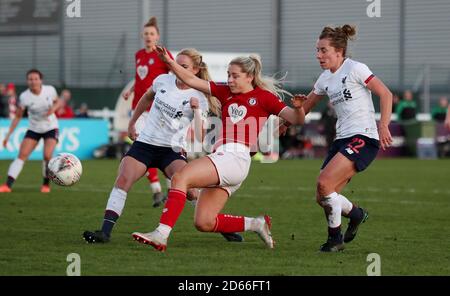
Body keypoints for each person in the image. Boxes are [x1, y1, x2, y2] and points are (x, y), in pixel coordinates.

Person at [131, 46, 306, 251]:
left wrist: (298, 108)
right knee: (204, 222)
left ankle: (161, 234)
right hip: (227, 161)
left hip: (234, 158)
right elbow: (192, 80)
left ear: (249, 77)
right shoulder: (224, 91)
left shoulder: (264, 97)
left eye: (235, 76)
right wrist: (169, 63)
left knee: (180, 178)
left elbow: (296, 119)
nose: (230, 80)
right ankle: (256, 224)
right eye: (228, 75)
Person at [83, 48, 242, 243]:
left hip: (172, 150)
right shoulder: (163, 80)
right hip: (145, 144)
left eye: (183, 66)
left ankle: (220, 226)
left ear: (194, 71)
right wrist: (133, 123)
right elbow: (146, 98)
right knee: (123, 179)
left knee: (191, 190)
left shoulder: (200, 96)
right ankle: (104, 232)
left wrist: (198, 110)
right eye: (176, 64)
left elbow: (200, 135)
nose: (177, 69)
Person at [297, 25, 393, 252]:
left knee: (324, 184)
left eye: (323, 50)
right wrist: (290, 116)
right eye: (317, 50)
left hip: (363, 137)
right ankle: (357, 214)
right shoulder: (324, 79)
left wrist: (384, 125)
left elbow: (386, 94)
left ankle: (335, 240)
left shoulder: (355, 68)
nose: (318, 55)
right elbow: (304, 111)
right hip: (342, 140)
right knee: (323, 197)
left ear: (339, 51)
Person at [122, 16, 173, 208]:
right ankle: (157, 191)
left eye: (152, 34)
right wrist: (131, 90)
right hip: (140, 108)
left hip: (160, 109)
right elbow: (140, 78)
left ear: (158, 36)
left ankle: (169, 188)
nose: (149, 37)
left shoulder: (163, 54)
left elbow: (175, 73)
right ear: (142, 36)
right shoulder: (139, 55)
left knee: (164, 147)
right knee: (141, 143)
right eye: (146, 34)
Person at [0, 69, 63, 193]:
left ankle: (46, 185)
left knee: (47, 155)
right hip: (34, 128)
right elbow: (18, 116)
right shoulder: (24, 97)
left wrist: (53, 109)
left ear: (41, 80)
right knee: (21, 155)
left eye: (35, 79)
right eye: (30, 79)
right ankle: (7, 185)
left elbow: (58, 102)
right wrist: (8, 135)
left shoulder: (49, 90)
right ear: (27, 81)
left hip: (51, 127)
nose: (33, 81)